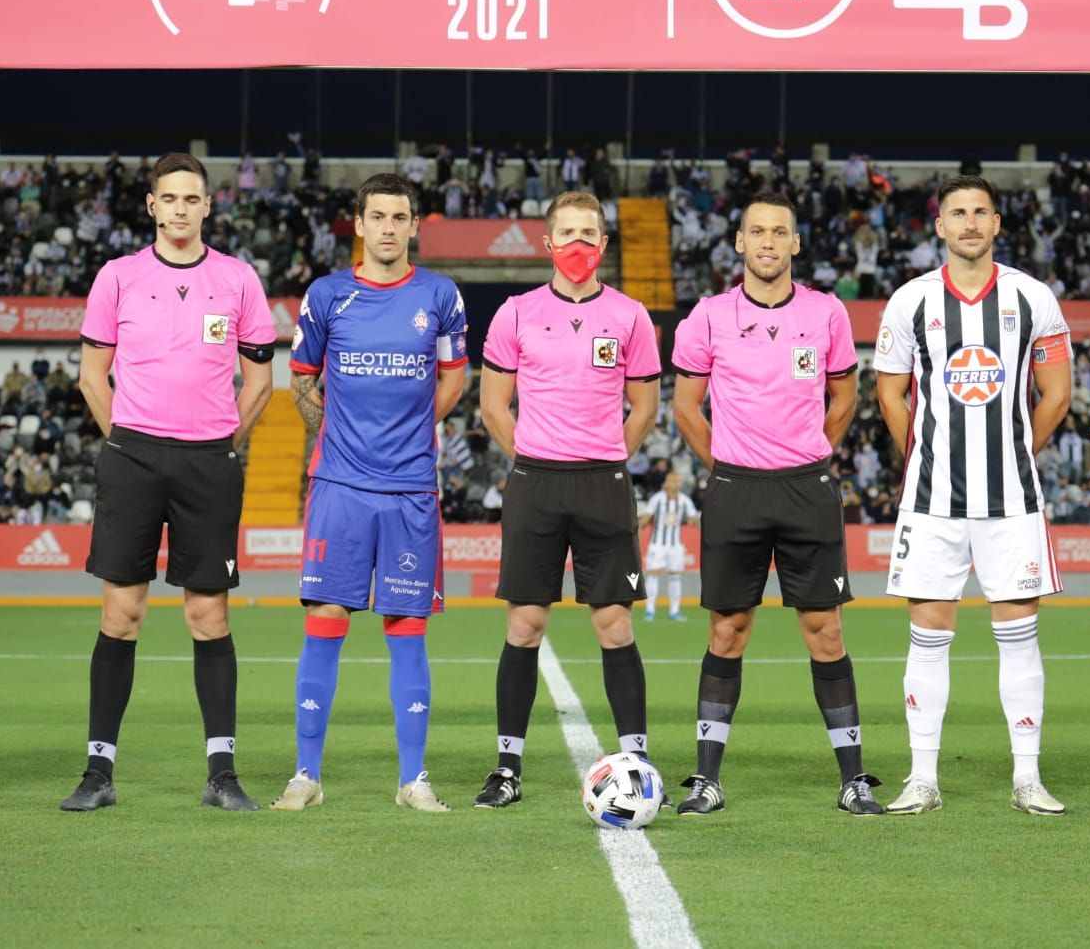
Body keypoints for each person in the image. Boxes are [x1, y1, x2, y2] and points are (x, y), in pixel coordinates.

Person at [60, 152, 275, 813]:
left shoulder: (237, 279)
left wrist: (222, 444)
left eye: (192, 199)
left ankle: (222, 774)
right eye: (169, 199)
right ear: (151, 206)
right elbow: (92, 376)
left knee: (207, 615)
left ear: (208, 206)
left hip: (208, 462)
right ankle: (98, 773)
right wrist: (123, 438)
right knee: (121, 613)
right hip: (132, 459)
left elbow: (261, 380)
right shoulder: (118, 277)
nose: (181, 209)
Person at [671, 191, 883, 817]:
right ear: (738, 243)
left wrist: (811, 454)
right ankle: (707, 780)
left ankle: (853, 780)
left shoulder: (826, 313)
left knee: (825, 630)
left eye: (779, 232)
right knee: (728, 630)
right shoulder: (707, 316)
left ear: (795, 243)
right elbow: (686, 407)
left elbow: (843, 398)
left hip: (807, 488)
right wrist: (730, 467)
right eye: (755, 232)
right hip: (736, 489)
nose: (767, 242)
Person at [872, 175, 1073, 818]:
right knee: (927, 634)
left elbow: (1058, 394)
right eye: (956, 213)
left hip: (1011, 498)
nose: (968, 223)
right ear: (939, 225)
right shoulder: (910, 301)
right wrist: (927, 454)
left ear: (996, 223)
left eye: (980, 212)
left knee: (1020, 635)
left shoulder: (1031, 296)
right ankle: (923, 779)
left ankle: (1028, 778)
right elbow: (890, 394)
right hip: (931, 500)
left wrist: (1015, 451)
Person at [270, 174, 468, 813]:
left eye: (400, 217)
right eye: (377, 215)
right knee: (325, 622)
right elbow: (303, 377)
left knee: (407, 630)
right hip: (340, 487)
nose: (388, 227)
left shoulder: (440, 296)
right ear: (358, 223)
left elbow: (454, 375)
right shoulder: (327, 295)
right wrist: (338, 437)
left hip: (411, 489)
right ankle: (306, 775)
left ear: (414, 226)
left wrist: (414, 432)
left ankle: (414, 780)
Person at [473, 191, 661, 808]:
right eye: (568, 234)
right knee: (525, 624)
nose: (578, 245)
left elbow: (645, 407)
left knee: (614, 623)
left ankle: (635, 758)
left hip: (602, 482)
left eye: (589, 233)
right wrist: (530, 455)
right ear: (548, 243)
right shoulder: (516, 313)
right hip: (536, 483)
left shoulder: (631, 316)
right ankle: (507, 768)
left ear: (603, 244)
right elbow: (493, 406)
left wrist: (608, 455)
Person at [639, 470, 699, 622]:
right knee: (653, 574)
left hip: (675, 545)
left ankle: (674, 611)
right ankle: (650, 611)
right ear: (666, 483)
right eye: (672, 480)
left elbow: (694, 518)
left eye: (677, 480)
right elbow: (646, 518)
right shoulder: (657, 499)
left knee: (675, 576)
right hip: (657, 544)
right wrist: (637, 533)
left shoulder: (684, 500)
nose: (675, 483)